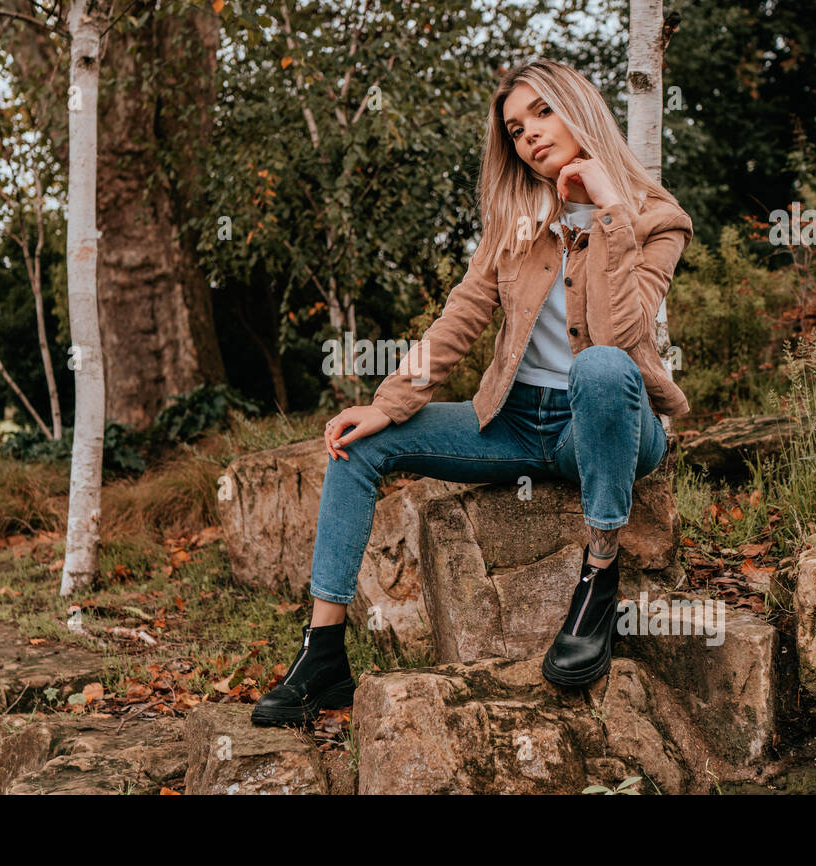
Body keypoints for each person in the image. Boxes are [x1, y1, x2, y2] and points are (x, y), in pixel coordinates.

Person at [250, 57, 694, 728]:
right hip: (516, 423)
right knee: (360, 445)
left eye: (542, 112)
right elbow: (461, 318)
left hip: (608, 423)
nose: (530, 136)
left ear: (579, 107)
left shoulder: (656, 217)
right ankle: (323, 653)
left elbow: (625, 335)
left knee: (601, 367)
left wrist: (607, 211)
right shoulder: (516, 219)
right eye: (516, 129)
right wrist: (388, 401)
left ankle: (599, 575)